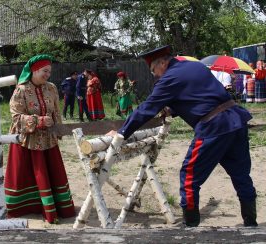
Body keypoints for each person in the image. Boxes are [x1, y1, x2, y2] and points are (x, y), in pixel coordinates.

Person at [107, 45, 257, 227]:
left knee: (189, 177)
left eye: (154, 70)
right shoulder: (195, 66)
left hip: (214, 127)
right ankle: (251, 223)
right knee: (241, 175)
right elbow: (199, 95)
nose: (154, 75)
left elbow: (146, 109)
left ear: (162, 63)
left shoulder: (169, 77)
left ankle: (190, 227)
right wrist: (172, 109)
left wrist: (122, 132)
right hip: (235, 119)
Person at [4, 54, 75, 224]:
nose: (48, 74)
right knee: (31, 174)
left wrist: (58, 129)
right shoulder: (20, 90)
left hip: (48, 141)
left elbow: (56, 111)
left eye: (49, 71)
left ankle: (55, 209)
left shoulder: (51, 88)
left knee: (51, 173)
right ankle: (28, 208)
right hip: (28, 143)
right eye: (44, 71)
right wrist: (38, 121)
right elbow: (15, 118)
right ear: (34, 70)